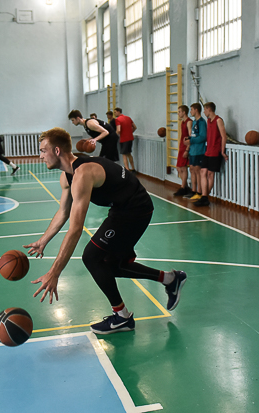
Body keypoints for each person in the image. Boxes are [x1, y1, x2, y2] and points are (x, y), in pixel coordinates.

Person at [24, 128, 187, 334]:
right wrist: (43, 240)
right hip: (121, 209)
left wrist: (54, 272)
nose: (40, 156)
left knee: (92, 257)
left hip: (136, 208)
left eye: (43, 150)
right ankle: (171, 279)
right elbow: (63, 212)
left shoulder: (83, 174)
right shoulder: (67, 177)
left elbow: (75, 229)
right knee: (110, 265)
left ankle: (122, 317)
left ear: (57, 151)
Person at [194, 102, 228, 207]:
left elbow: (224, 136)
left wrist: (222, 151)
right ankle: (204, 196)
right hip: (208, 151)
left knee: (210, 174)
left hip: (215, 151)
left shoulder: (218, 120)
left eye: (205, 110)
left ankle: (205, 197)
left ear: (209, 109)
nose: (204, 112)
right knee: (203, 172)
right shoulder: (209, 121)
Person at [186, 103, 207, 202]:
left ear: (196, 110)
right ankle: (193, 190)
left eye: (191, 109)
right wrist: (188, 139)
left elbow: (203, 137)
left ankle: (199, 192)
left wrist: (192, 140)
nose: (190, 111)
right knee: (192, 169)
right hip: (193, 150)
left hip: (199, 150)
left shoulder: (202, 122)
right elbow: (194, 135)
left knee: (198, 171)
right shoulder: (194, 122)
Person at [174, 105, 193, 197]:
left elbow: (190, 136)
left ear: (184, 112)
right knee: (178, 168)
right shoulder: (182, 122)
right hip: (182, 146)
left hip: (185, 147)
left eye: (179, 111)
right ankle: (185, 187)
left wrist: (187, 149)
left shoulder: (189, 122)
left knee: (183, 168)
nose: (178, 113)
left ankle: (183, 188)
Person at [113, 107, 137, 172]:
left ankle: (127, 169)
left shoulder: (118, 119)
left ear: (118, 112)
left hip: (124, 139)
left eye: (115, 112)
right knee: (129, 153)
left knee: (124, 155)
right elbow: (135, 127)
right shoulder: (128, 118)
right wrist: (130, 132)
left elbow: (118, 130)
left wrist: (114, 137)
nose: (114, 113)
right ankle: (133, 168)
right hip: (130, 138)